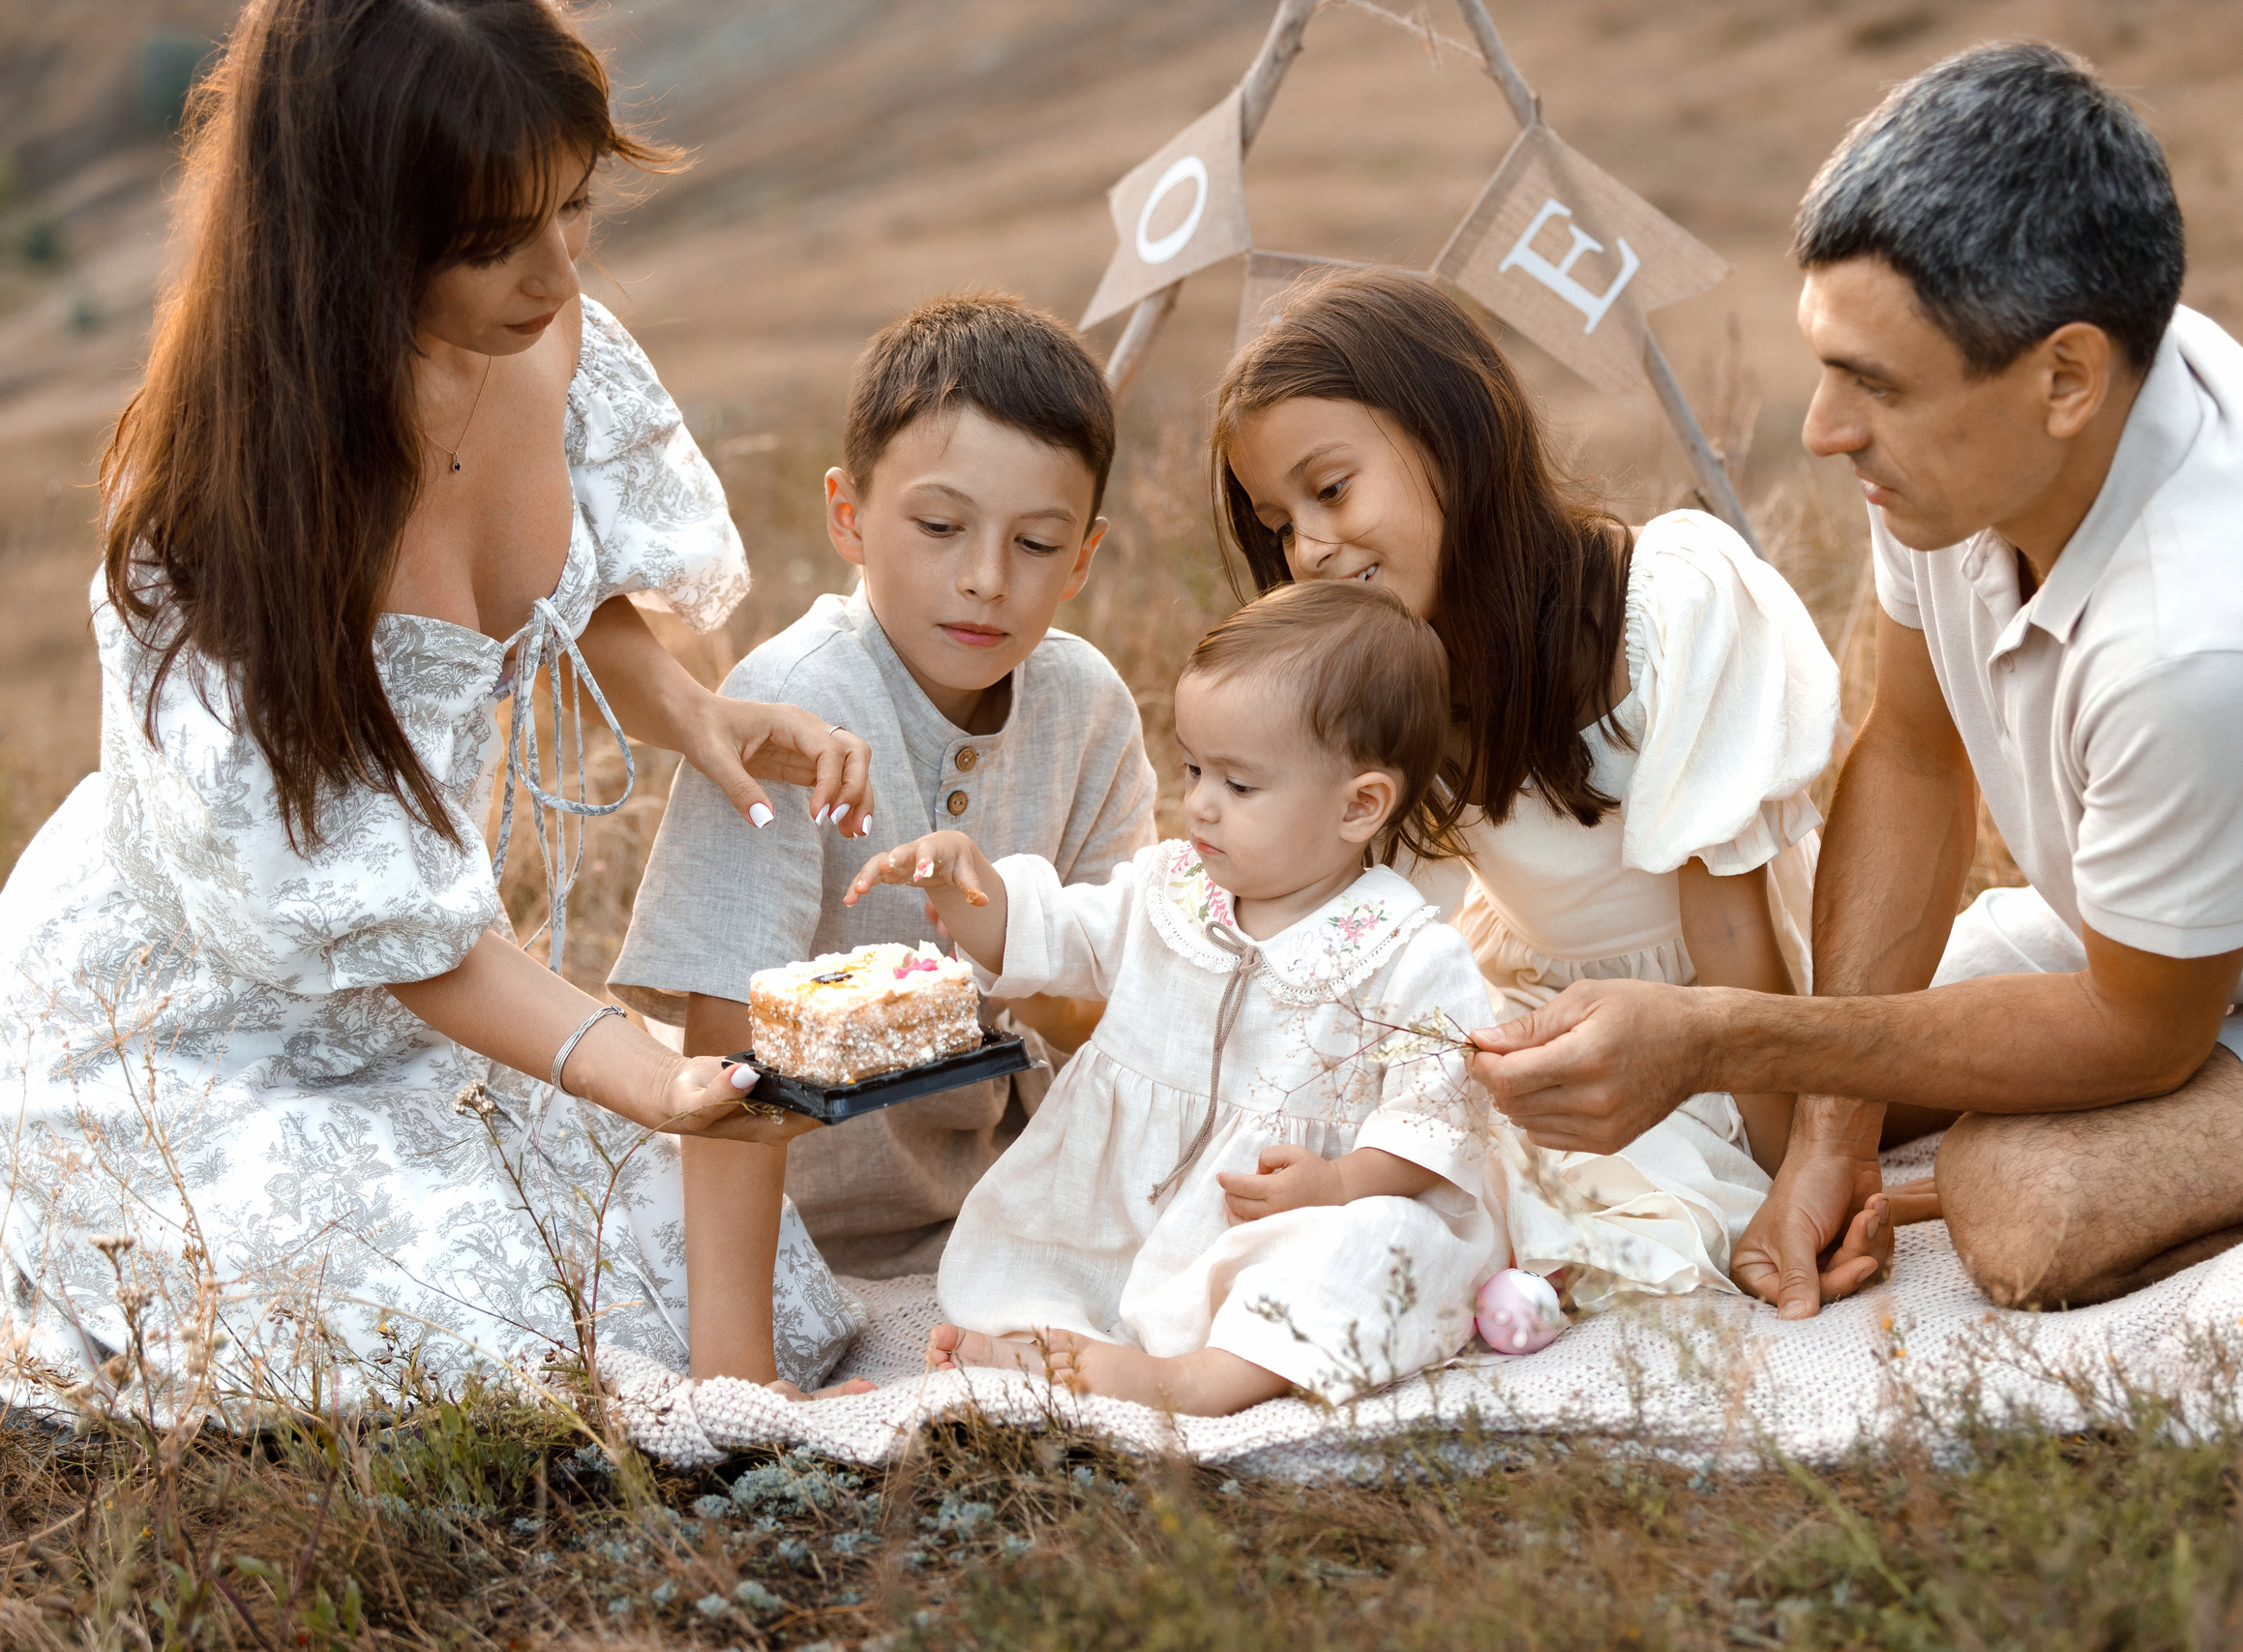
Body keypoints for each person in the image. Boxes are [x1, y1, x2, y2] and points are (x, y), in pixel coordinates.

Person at [1470, 43, 2243, 1318]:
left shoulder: (2213, 643)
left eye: (1874, 385)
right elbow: (1911, 752)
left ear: (2066, 376)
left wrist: (1723, 1029)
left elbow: (2137, 1034)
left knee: (2020, 1198)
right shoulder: (1985, 449)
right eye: (1828, 364)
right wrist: (1831, 1132)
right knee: (1778, 1103)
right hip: (2186, 938)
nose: (1825, 429)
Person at [0, 0, 879, 1400]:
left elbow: (569, 580)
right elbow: (374, 916)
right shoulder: (219, 536)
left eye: (573, 205)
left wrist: (687, 707)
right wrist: (637, 1075)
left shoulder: (550, 335)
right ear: (349, 235)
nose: (558, 271)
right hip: (196, 1023)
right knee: (481, 1350)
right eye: (492, 239)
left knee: (738, 1289)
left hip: (434, 1006)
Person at [1212, 271, 1840, 1311]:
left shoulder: (1661, 606)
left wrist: (1795, 1179)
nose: (1310, 548)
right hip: (1546, 999)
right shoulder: (1393, 670)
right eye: (1279, 523)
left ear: (1453, 440)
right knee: (1402, 1165)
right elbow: (1366, 926)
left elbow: (1732, 937)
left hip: (1725, 1002)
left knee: (1610, 1203)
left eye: (1331, 489)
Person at [608, 293, 1155, 1391]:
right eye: (940, 527)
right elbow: (724, 1050)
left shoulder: (1087, 709)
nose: (987, 578)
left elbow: (1117, 1009)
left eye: (1036, 542)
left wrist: (1020, 951)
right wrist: (738, 1378)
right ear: (848, 516)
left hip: (999, 1211)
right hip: (794, 1233)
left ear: (1083, 557)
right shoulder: (792, 704)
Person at [851, 583, 1504, 1416]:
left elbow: (1436, 1117)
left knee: (1385, 1245)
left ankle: (1202, 1377)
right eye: (1195, 768)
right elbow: (1058, 936)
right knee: (1049, 1238)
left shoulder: (1409, 950)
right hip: (1134, 1198)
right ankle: (1053, 1336)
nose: (1198, 802)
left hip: (1287, 1215)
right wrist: (968, 886)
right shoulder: (1173, 888)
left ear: (1359, 806)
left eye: (1240, 784)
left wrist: (1341, 1181)